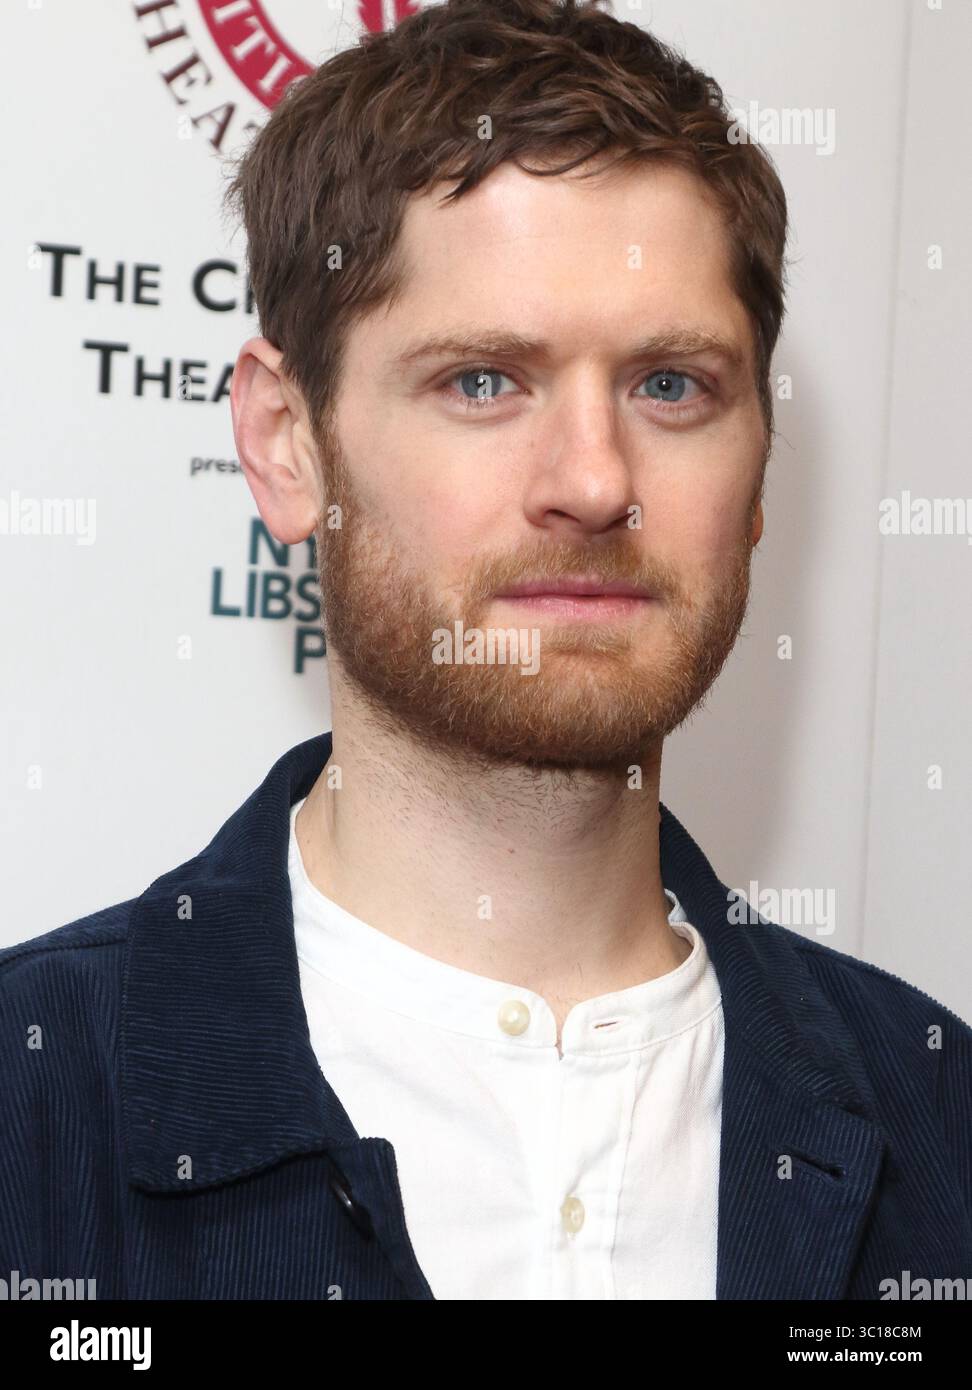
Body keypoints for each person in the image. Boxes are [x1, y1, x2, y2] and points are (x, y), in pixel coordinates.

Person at [2, 0, 969, 1302]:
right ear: (288, 445)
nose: (590, 479)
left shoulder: (940, 1119)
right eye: (483, 381)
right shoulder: (29, 1095)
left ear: (758, 471)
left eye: (671, 384)